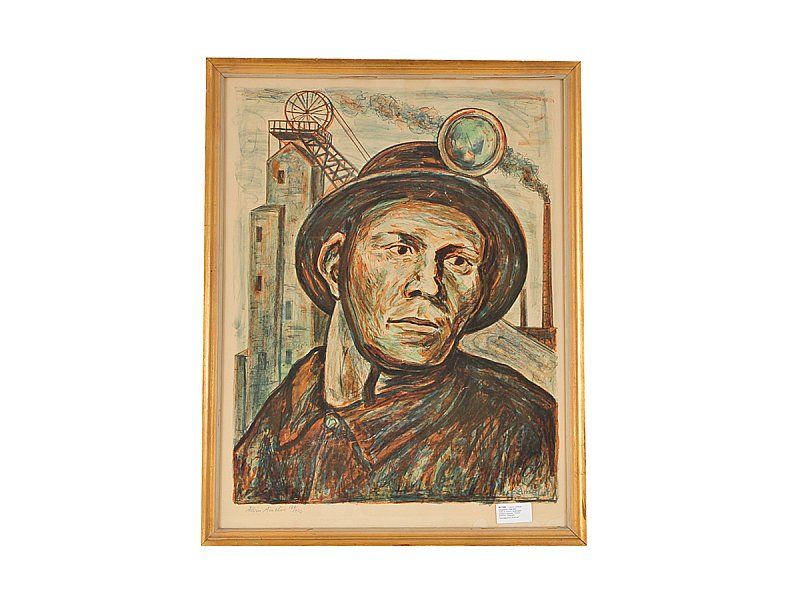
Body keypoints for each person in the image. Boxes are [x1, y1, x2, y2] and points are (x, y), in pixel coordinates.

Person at [234, 140, 557, 503]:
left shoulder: (521, 425)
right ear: (336, 266)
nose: (429, 285)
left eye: (459, 261)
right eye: (400, 250)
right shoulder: (298, 395)